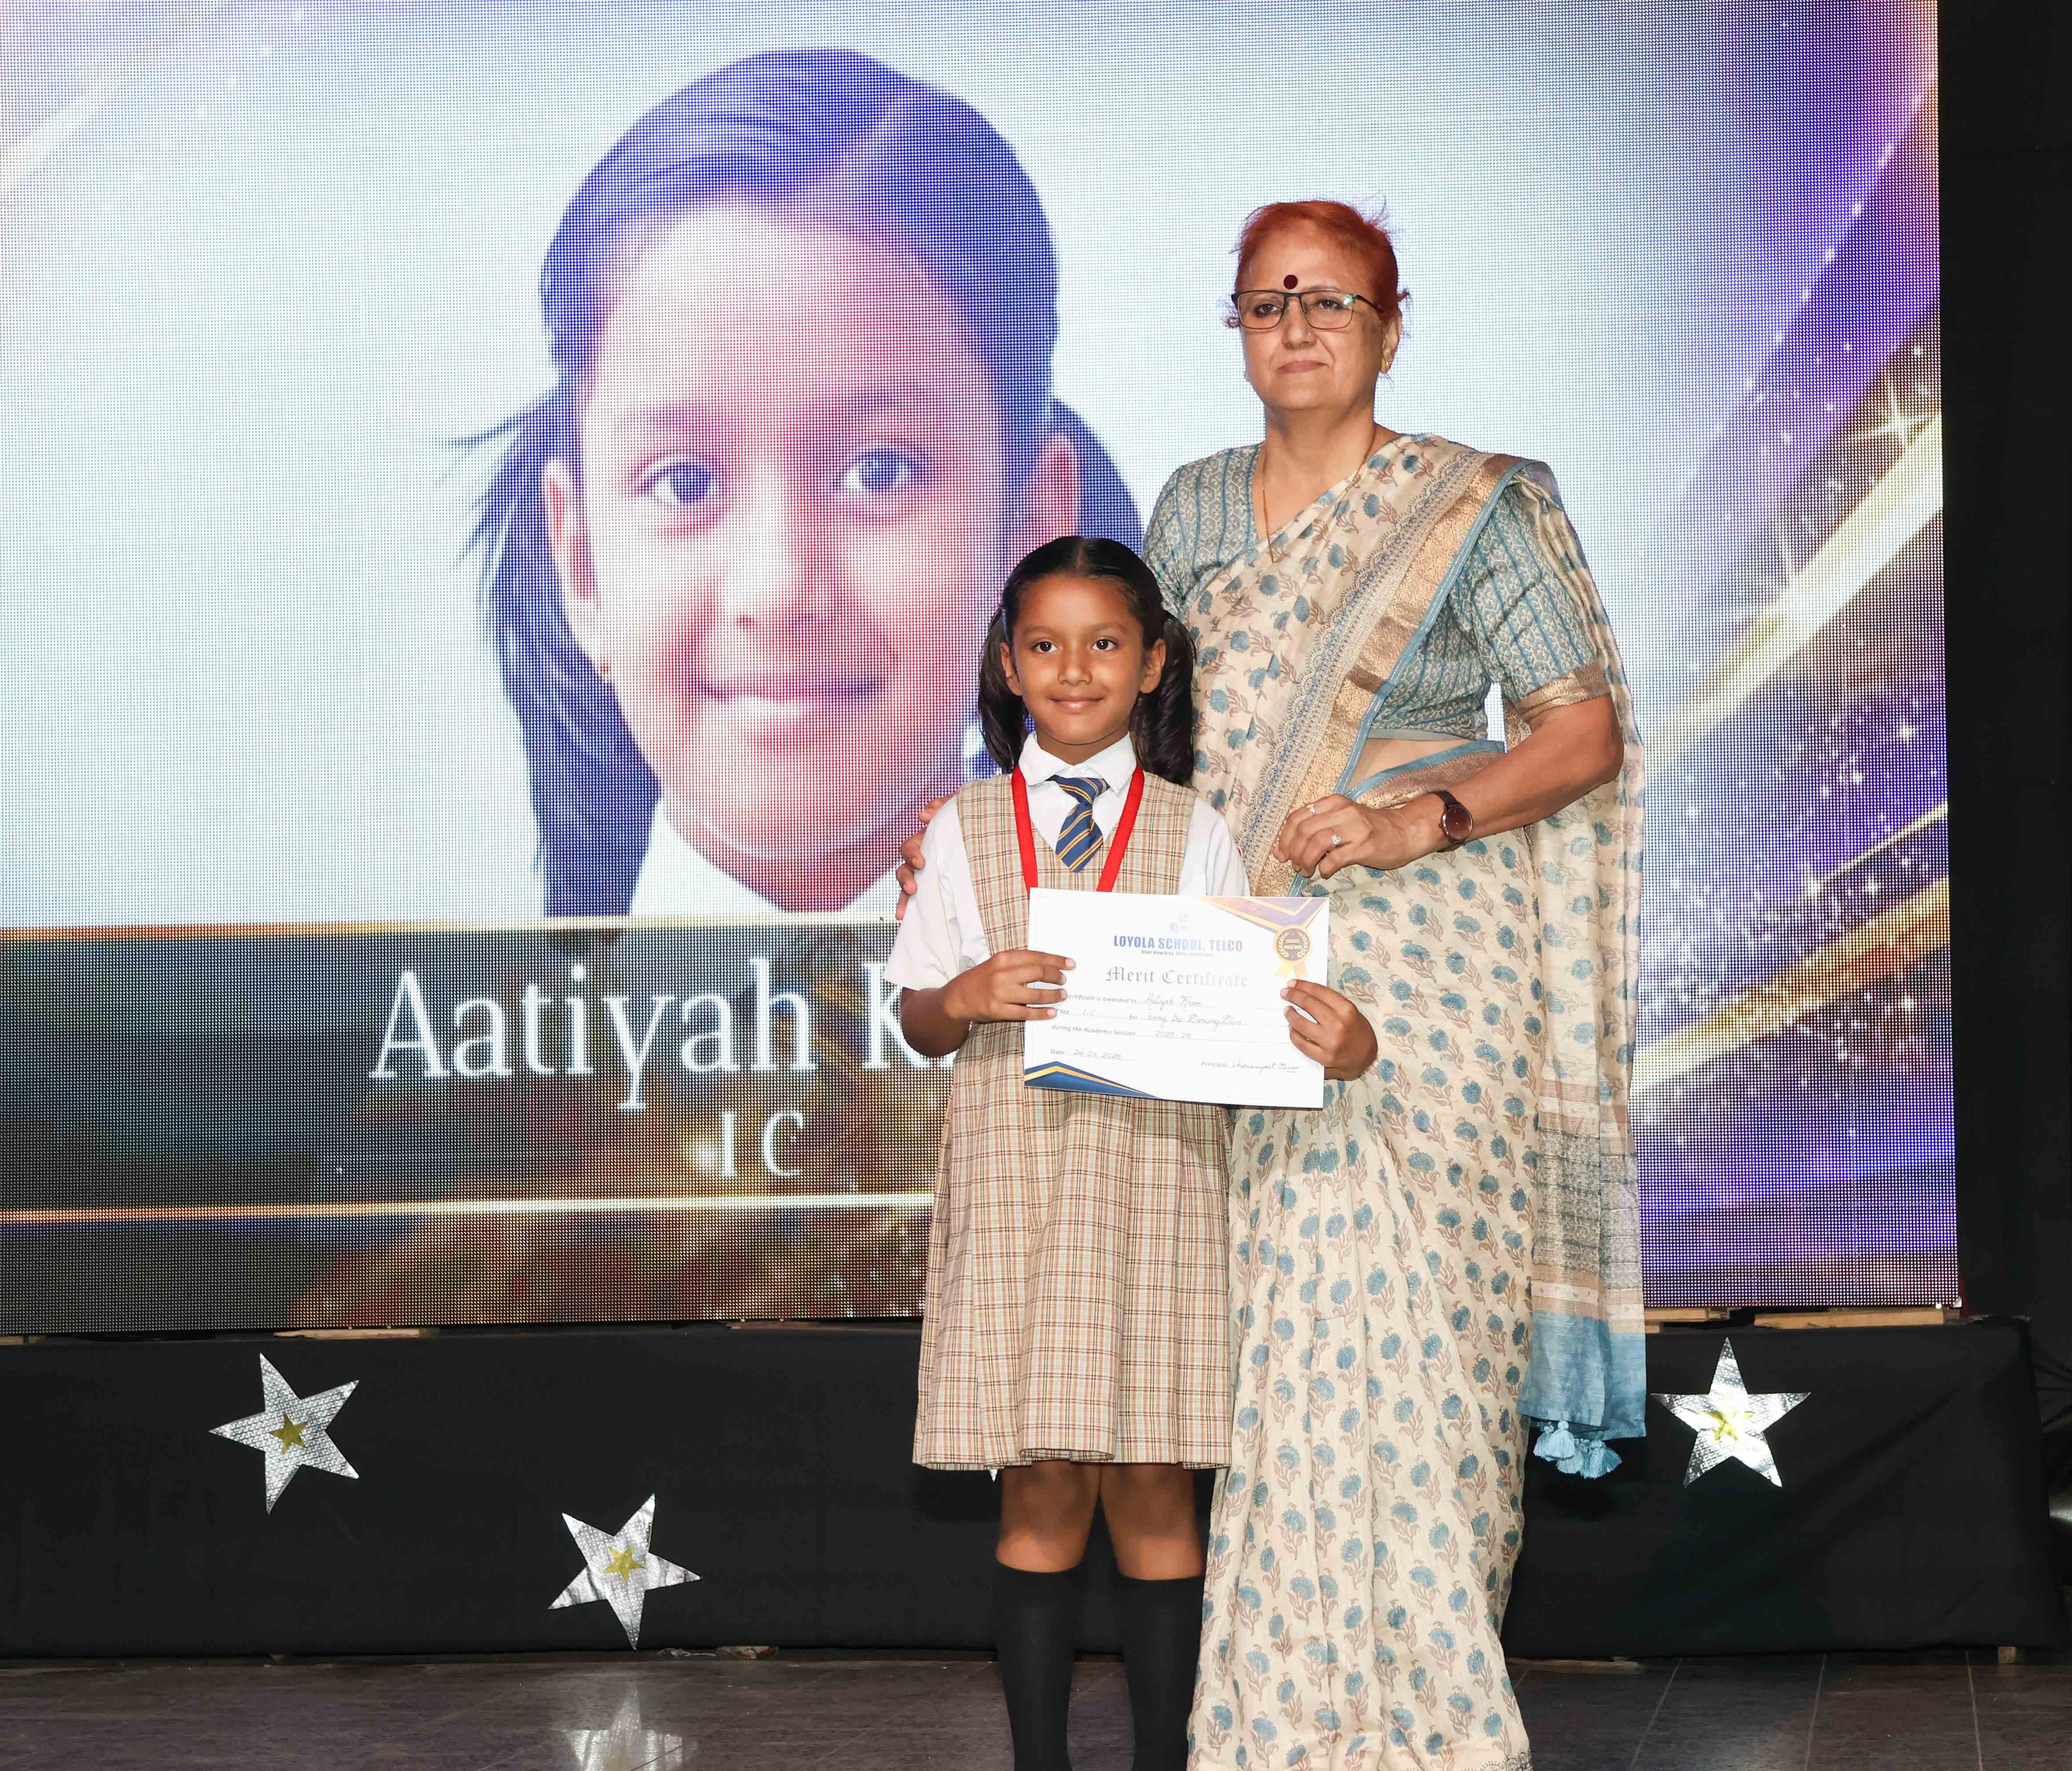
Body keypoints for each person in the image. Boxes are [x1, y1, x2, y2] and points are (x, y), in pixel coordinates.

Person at [1133, 198, 1651, 1771]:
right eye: (1267, 300)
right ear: (1237, 326)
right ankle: (1283, 1729)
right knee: (1283, 1346)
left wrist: (1416, 817)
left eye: (1331, 300)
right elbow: (1148, 741)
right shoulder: (1192, 508)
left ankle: (1431, 1725)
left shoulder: (1479, 506)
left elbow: (1582, 728)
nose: (1296, 326)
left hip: (1436, 957)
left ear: (1391, 324)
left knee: (1425, 1334)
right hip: (1250, 950)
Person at [886, 536, 1378, 1771]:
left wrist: (1331, 1039)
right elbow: (917, 1019)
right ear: (1008, 663)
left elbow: (1243, 1017)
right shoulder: (959, 829)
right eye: (1045, 645)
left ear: (1153, 662)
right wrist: (966, 994)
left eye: (1104, 643)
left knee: (1158, 1486)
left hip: (1159, 1190)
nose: (1074, 669)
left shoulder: (1192, 828)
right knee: (1041, 1486)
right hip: (1015, 1192)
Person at [471, 49, 1140, 918]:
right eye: (683, 483)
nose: (779, 590)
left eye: (879, 472)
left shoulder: (1219, 994)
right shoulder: (414, 999)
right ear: (583, 565)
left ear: (1033, 540)